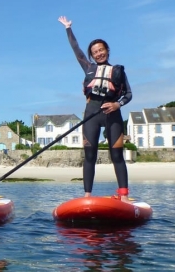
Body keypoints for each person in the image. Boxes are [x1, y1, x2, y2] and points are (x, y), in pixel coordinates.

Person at [58, 16, 133, 202]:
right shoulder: (89, 68)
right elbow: (76, 49)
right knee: (89, 155)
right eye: (95, 52)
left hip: (112, 114)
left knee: (117, 155)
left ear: (107, 50)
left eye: (101, 50)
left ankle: (123, 196)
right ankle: (87, 195)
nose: (99, 53)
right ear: (91, 56)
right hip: (91, 114)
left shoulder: (118, 70)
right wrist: (68, 28)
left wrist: (117, 104)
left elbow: (129, 94)